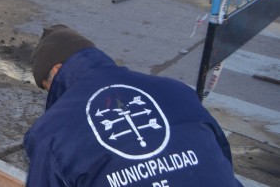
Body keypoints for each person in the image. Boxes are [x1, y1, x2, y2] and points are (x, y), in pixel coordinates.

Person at [24, 24, 243, 187]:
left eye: (48, 87)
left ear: (56, 70)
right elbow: (222, 155)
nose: (51, 96)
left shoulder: (50, 131)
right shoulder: (178, 90)